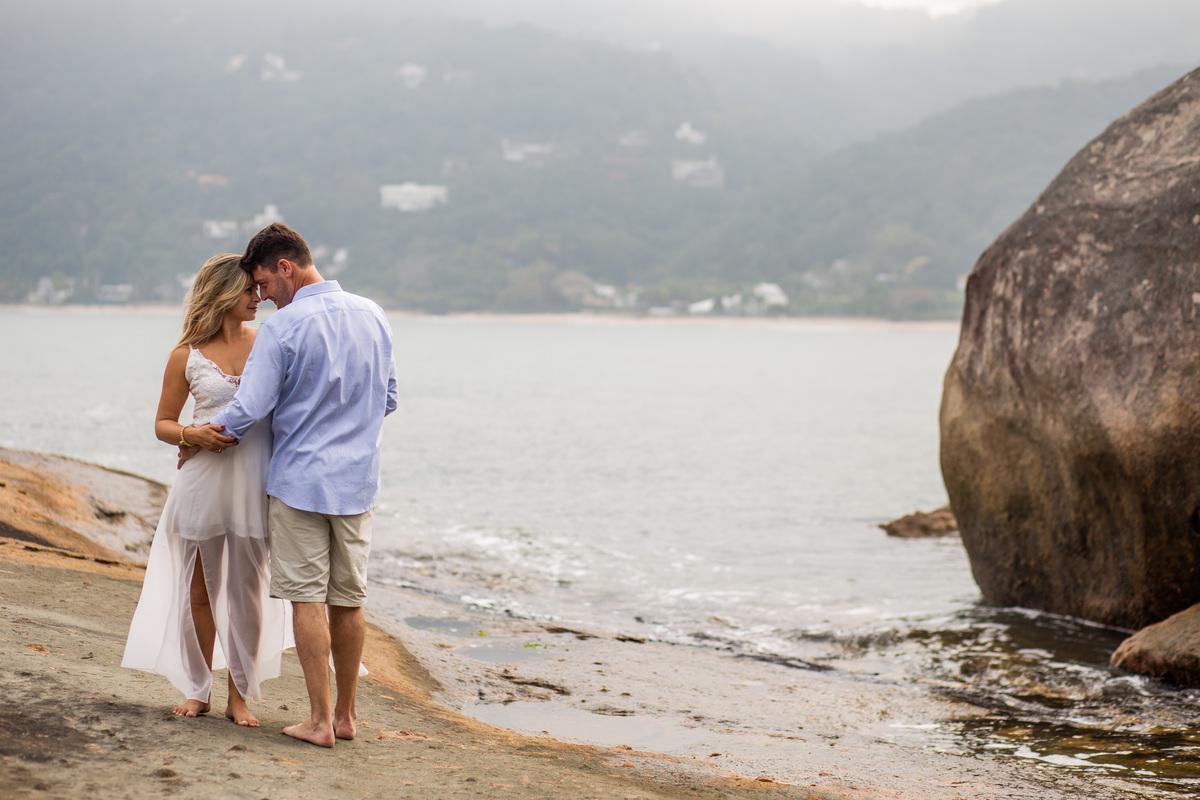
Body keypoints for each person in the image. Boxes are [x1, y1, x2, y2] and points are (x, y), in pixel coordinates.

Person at [197, 222, 397, 748]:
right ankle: (348, 717)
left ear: (286, 268)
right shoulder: (373, 313)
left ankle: (320, 721)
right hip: (358, 482)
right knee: (348, 601)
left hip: (301, 481)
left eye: (263, 284)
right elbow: (390, 397)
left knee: (307, 600)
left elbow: (250, 407)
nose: (261, 297)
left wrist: (201, 438)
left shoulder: (284, 329)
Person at [122, 253, 291, 727]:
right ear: (220, 294)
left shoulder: (269, 344)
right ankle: (199, 689)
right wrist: (191, 436)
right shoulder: (186, 356)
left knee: (250, 592)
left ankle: (241, 695)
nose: (257, 298)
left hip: (256, 482)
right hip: (202, 484)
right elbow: (162, 424)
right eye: (246, 291)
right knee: (198, 590)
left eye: (258, 289)